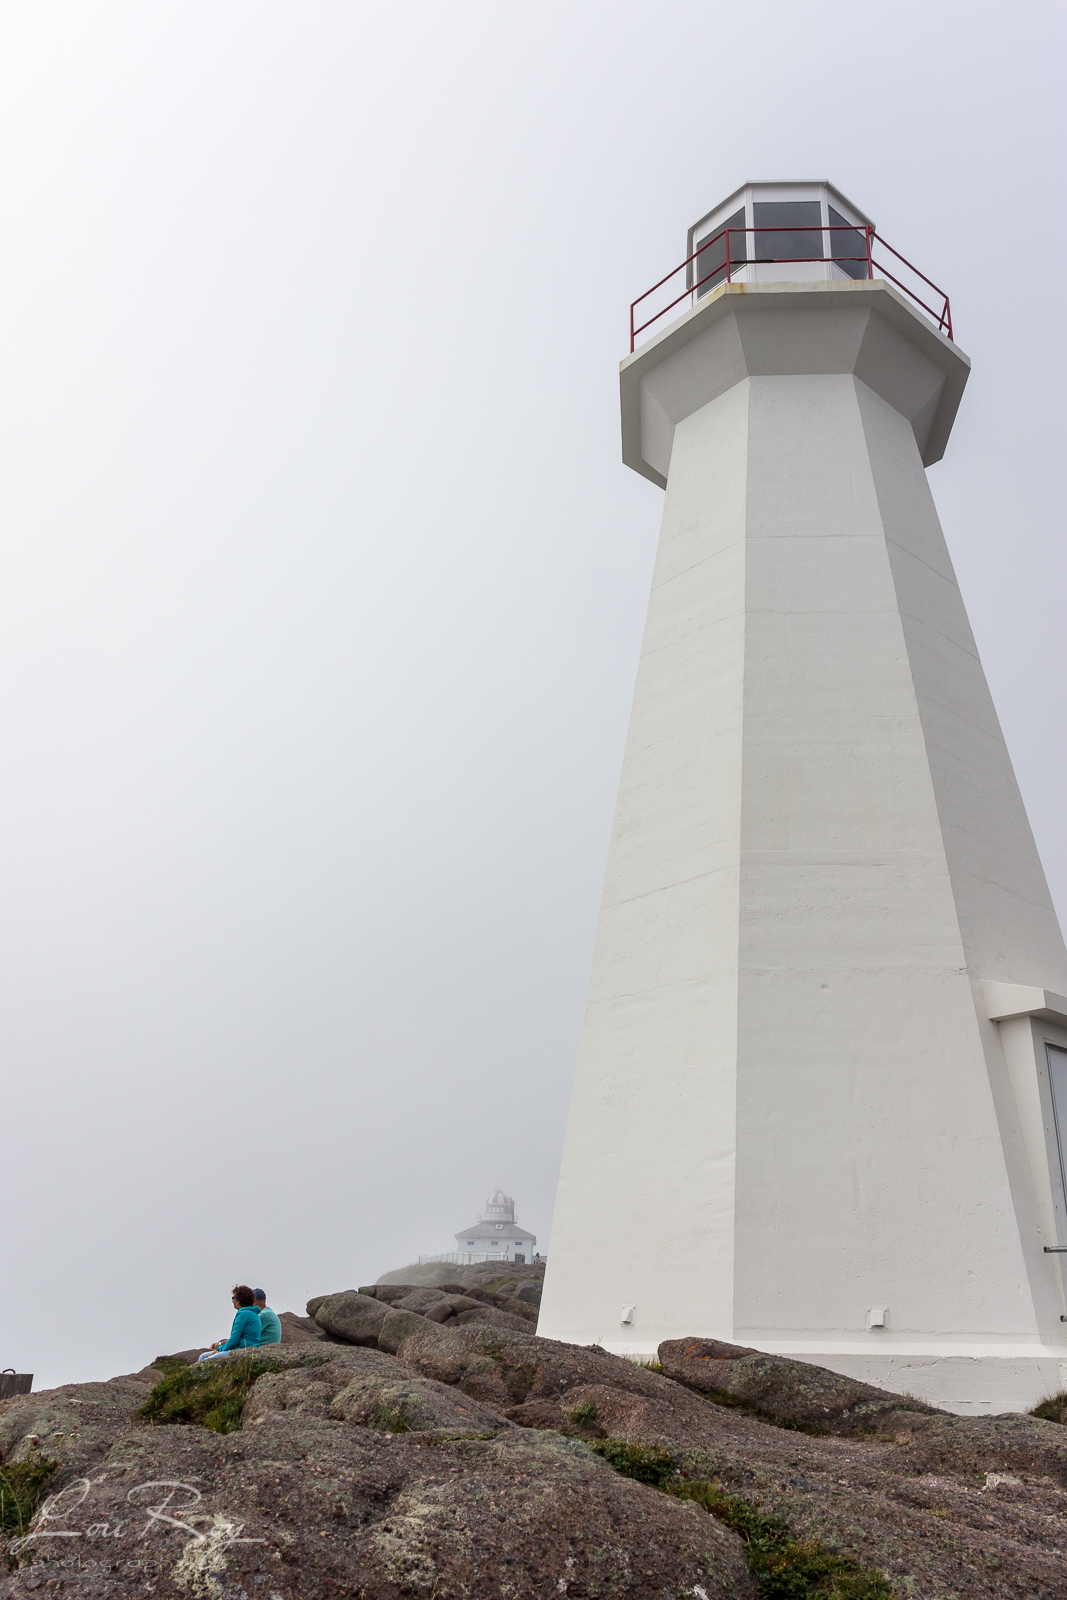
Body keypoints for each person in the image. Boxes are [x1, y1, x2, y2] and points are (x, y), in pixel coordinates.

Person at [197, 1285, 262, 1362]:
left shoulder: (243, 1314)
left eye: (233, 1298)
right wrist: (220, 1349)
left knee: (205, 1361)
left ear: (238, 1301)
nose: (232, 1301)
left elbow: (234, 1340)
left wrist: (218, 1350)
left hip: (241, 1351)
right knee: (203, 1356)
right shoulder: (253, 1313)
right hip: (245, 1349)